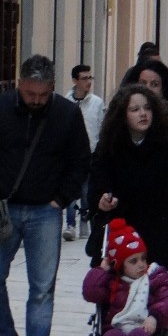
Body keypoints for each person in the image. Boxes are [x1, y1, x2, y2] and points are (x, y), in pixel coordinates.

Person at [0, 54, 90, 336]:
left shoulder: (66, 114)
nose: (36, 100)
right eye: (30, 93)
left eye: (43, 95)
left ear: (52, 87)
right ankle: (3, 335)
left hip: (45, 211)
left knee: (42, 285)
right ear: (19, 84)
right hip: (0, 206)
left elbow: (80, 161)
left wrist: (62, 199)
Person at [88, 85, 168, 268]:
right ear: (122, 114)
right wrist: (103, 199)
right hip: (121, 226)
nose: (143, 114)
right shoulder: (110, 145)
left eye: (147, 108)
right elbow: (99, 179)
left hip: (159, 224)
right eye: (135, 109)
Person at [64, 65, 105, 242]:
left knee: (87, 191)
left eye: (90, 78)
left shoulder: (97, 102)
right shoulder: (66, 101)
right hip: (71, 154)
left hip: (90, 153)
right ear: (75, 80)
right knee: (71, 190)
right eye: (84, 78)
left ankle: (84, 222)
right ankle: (70, 224)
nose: (88, 82)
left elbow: (101, 127)